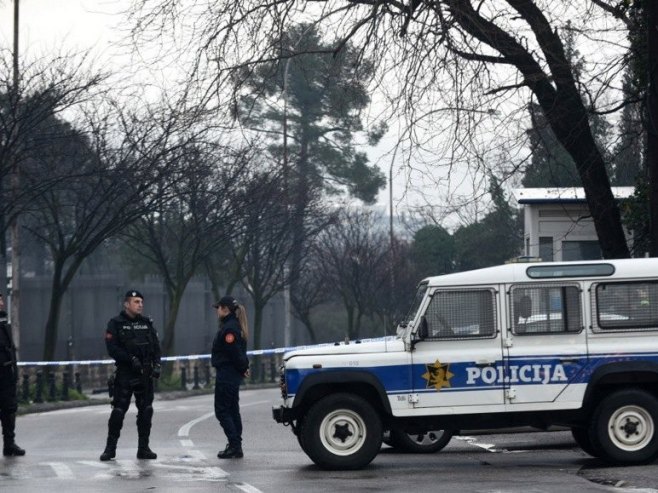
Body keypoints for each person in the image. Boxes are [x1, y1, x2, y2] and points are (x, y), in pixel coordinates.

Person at [100, 290, 161, 461]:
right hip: (126, 373)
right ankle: (110, 449)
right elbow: (112, 348)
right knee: (118, 411)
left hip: (145, 373)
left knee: (146, 410)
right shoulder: (115, 323)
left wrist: (157, 365)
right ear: (126, 304)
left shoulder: (147, 323)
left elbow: (156, 346)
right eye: (136, 302)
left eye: (141, 301)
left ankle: (144, 448)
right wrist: (130, 359)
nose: (140, 304)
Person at [211, 295, 250, 459]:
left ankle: (234, 445)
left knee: (222, 410)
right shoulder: (233, 325)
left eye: (218, 308)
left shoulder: (229, 329)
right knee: (233, 410)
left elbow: (234, 352)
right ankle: (235, 445)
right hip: (232, 374)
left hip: (227, 374)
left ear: (225, 309)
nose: (217, 311)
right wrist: (244, 367)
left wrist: (243, 367)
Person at [0, 294, 25, 456]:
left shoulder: (4, 324)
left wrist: (14, 374)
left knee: (9, 410)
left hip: (6, 377)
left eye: (2, 299)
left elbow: (10, 351)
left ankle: (9, 443)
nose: (1, 303)